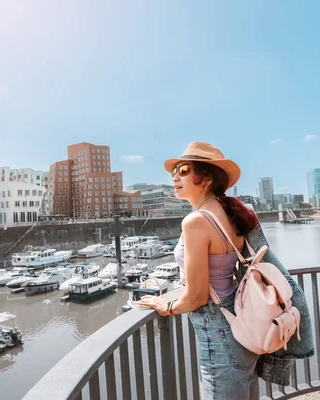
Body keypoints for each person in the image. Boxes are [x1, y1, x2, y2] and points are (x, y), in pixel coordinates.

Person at [137, 142, 260, 400]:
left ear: (206, 178)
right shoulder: (228, 213)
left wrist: (167, 306)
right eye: (174, 173)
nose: (175, 178)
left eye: (183, 170)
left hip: (216, 329)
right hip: (239, 322)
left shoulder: (196, 221)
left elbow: (196, 297)